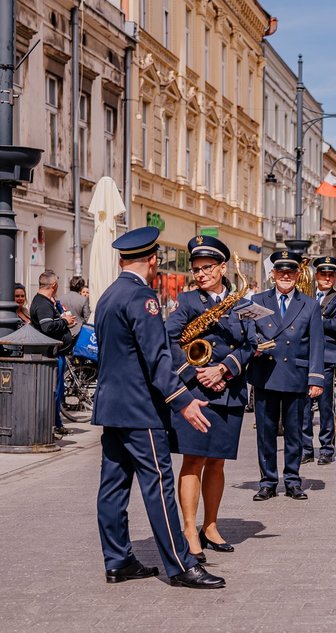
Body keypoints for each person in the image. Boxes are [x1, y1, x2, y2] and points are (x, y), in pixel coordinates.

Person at [93, 226, 224, 589]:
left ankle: (118, 560)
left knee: (113, 487)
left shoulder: (108, 295)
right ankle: (181, 565)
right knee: (160, 485)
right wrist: (183, 402)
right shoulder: (142, 298)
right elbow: (157, 358)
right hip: (140, 410)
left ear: (122, 260)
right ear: (152, 261)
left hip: (112, 408)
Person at [165, 236, 255, 563]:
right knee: (193, 460)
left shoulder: (242, 303)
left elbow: (250, 345)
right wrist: (195, 372)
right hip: (197, 393)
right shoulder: (188, 301)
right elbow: (169, 338)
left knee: (216, 461)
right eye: (196, 269)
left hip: (229, 390)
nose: (200, 274)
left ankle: (211, 525)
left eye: (207, 268)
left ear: (222, 268)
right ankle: (189, 530)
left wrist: (224, 369)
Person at [248, 250, 325, 501]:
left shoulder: (310, 304)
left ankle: (292, 480)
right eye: (280, 272)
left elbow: (317, 343)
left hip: (296, 374)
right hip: (266, 373)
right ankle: (268, 481)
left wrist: (315, 379)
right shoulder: (258, 301)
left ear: (297, 275)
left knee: (294, 432)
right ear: (272, 275)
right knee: (266, 432)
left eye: (290, 272)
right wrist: (256, 344)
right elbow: (248, 333)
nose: (285, 276)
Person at [301, 256, 336, 463]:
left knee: (325, 406)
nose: (327, 278)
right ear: (316, 276)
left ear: (335, 277)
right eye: (323, 274)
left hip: (327, 358)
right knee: (303, 407)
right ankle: (305, 449)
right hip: (305, 357)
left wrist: (316, 319)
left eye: (331, 275)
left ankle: (327, 449)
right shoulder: (305, 297)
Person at [30, 270, 77, 436]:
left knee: (56, 392)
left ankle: (56, 423)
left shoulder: (45, 302)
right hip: (52, 355)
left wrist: (63, 321)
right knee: (54, 393)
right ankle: (50, 426)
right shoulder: (42, 304)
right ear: (54, 285)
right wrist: (65, 321)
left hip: (56, 354)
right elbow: (47, 327)